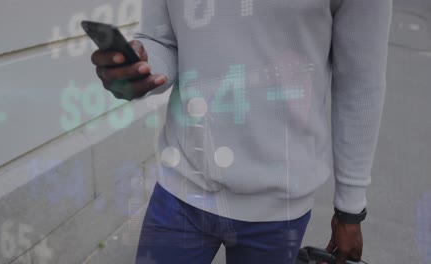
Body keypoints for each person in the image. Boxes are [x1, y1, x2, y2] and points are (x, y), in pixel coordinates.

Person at [90, 0, 392, 263]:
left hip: (278, 207)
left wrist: (350, 208)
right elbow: (162, 41)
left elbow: (359, 82)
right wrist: (140, 70)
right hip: (182, 186)